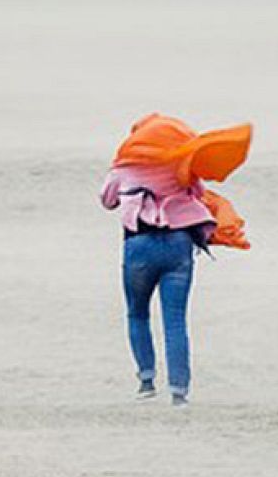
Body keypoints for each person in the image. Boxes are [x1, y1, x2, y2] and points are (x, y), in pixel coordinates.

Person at [100, 114, 252, 407]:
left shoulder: (124, 168)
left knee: (137, 313)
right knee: (175, 320)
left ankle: (146, 381)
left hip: (139, 245)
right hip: (178, 246)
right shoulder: (179, 166)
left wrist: (121, 173)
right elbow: (198, 194)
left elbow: (107, 201)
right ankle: (179, 392)